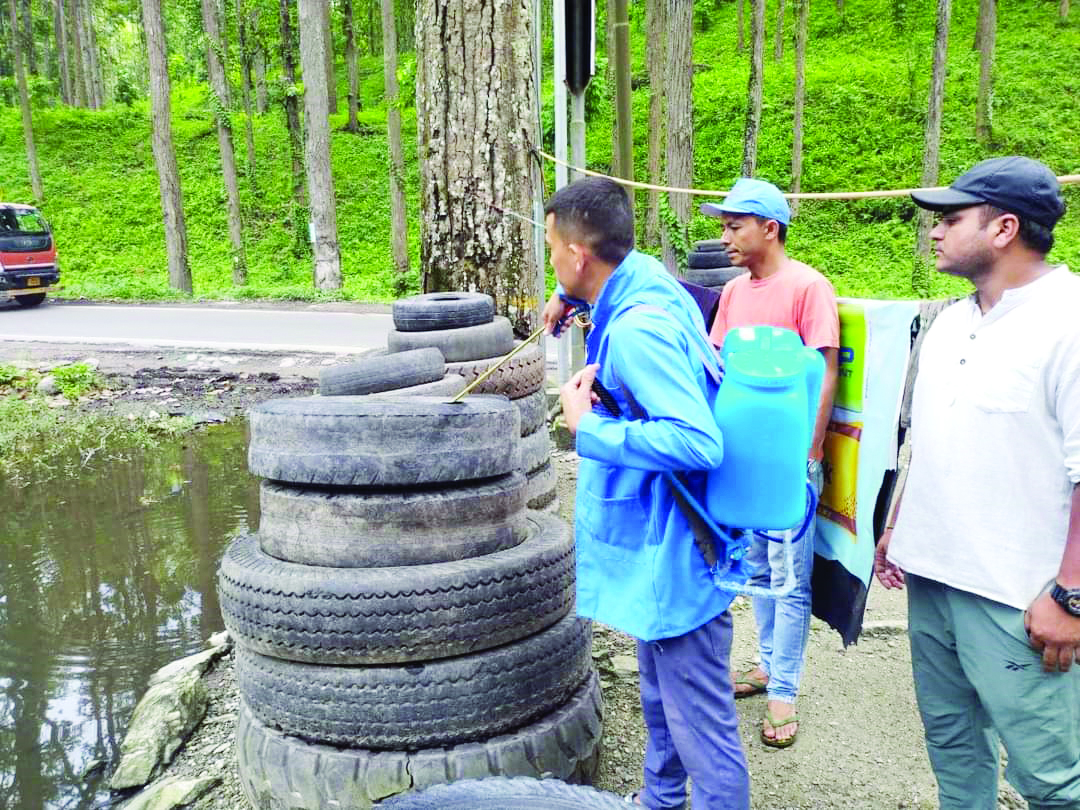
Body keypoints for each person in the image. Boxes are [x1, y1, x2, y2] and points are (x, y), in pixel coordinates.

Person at [875, 156, 1080, 809]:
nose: (932, 232)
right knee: (954, 751)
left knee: (1051, 778)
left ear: (1004, 229)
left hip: (1017, 596)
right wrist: (899, 524)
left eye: (950, 219)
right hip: (932, 579)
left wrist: (1071, 596)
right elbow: (935, 436)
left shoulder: (1067, 323)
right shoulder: (951, 322)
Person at [545, 176, 750, 810]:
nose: (550, 257)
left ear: (581, 254)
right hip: (658, 557)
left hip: (677, 559)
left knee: (701, 731)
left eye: (552, 248)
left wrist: (590, 429)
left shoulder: (636, 332)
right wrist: (567, 297)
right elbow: (608, 276)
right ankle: (661, 801)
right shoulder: (648, 280)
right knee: (664, 704)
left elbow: (698, 442)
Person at [699, 178, 839, 748]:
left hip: (788, 462)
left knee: (790, 577)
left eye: (734, 226)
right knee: (755, 565)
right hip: (742, 459)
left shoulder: (809, 288)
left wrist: (809, 451)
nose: (725, 236)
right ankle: (763, 663)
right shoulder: (733, 293)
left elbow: (825, 370)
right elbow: (716, 362)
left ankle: (784, 689)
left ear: (769, 228)